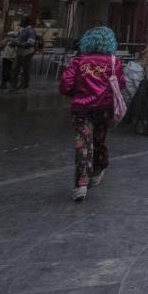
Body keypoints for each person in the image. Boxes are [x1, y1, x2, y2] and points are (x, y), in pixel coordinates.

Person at [59, 26, 124, 202]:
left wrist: (78, 93)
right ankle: (98, 168)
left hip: (82, 109)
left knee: (83, 145)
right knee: (99, 140)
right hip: (104, 109)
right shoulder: (113, 61)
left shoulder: (78, 61)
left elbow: (65, 85)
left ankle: (81, 184)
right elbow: (121, 84)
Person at [9, 17, 39, 91]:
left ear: (25, 22)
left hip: (27, 53)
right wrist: (13, 42)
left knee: (25, 69)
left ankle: (25, 85)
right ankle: (14, 86)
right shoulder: (22, 30)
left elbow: (30, 43)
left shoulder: (31, 31)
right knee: (14, 69)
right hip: (20, 53)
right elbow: (16, 37)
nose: (20, 23)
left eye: (21, 21)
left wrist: (19, 44)